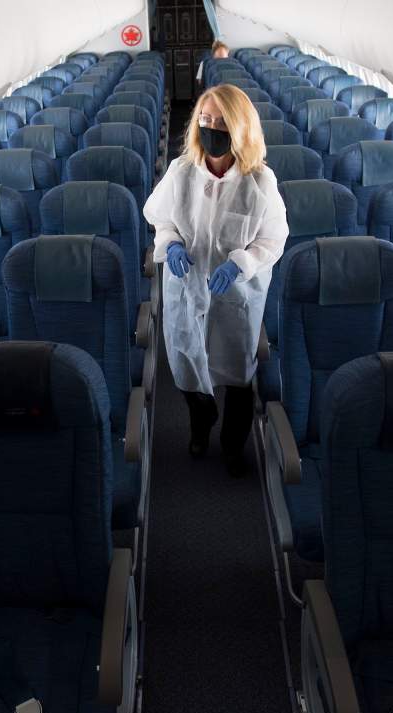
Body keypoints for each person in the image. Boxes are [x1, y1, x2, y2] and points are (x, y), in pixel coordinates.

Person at [143, 84, 289, 477]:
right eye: (205, 120)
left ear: (240, 128)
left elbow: (273, 239)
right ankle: (201, 420)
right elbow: (162, 218)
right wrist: (171, 244)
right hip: (187, 289)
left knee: (238, 377)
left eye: (221, 122)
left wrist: (240, 262)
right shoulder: (181, 172)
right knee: (189, 366)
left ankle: (232, 446)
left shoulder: (259, 182)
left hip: (236, 296)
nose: (211, 129)